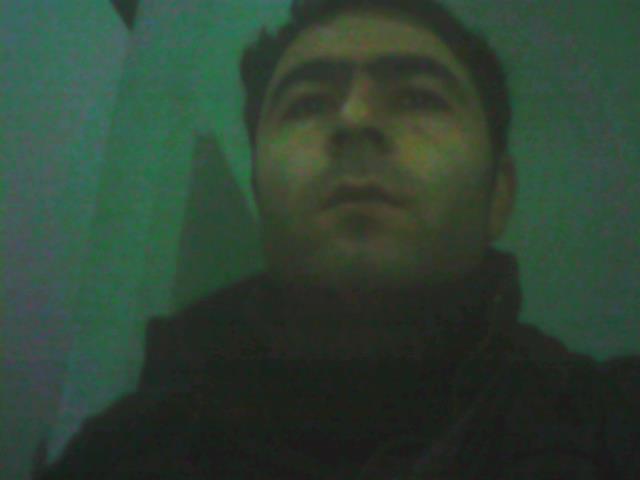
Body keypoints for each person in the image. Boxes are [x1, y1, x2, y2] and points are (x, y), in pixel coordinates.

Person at [37, 0, 639, 478]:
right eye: (307, 104)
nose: (354, 119)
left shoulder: (615, 425)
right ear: (259, 190)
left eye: (418, 97)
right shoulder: (118, 455)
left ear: (499, 194)